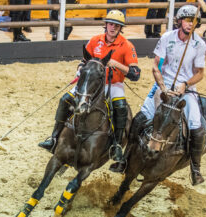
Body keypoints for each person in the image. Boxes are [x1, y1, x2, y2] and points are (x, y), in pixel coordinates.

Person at [112, 5, 206, 186]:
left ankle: (195, 169)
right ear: (180, 21)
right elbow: (156, 66)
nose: (190, 24)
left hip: (186, 92)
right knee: (140, 119)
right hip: (163, 86)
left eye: (193, 21)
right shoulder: (167, 38)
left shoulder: (199, 44)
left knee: (196, 125)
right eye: (187, 20)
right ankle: (124, 159)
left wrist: (185, 85)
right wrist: (163, 87)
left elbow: (200, 73)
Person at [38, 10, 141, 165]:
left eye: (117, 25)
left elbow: (135, 74)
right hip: (91, 83)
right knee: (65, 99)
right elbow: (84, 61)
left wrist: (117, 65)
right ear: (106, 24)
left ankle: (116, 145)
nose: (113, 28)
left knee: (120, 107)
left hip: (113, 84)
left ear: (121, 28)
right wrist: (80, 69)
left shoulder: (126, 45)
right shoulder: (95, 40)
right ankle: (53, 138)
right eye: (110, 24)